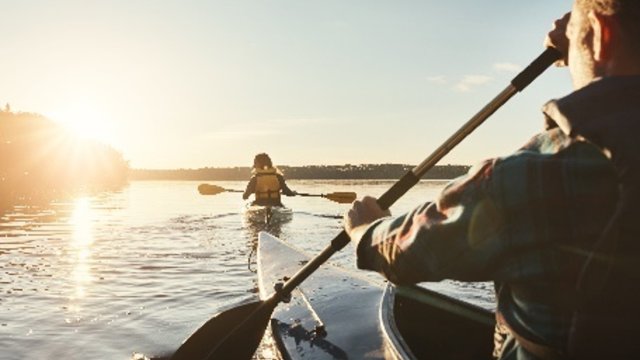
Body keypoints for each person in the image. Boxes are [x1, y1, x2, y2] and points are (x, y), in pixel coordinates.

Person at [344, 1, 640, 359]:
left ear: (603, 32)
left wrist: (366, 230)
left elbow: (410, 253)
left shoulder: (536, 174)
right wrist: (586, 40)